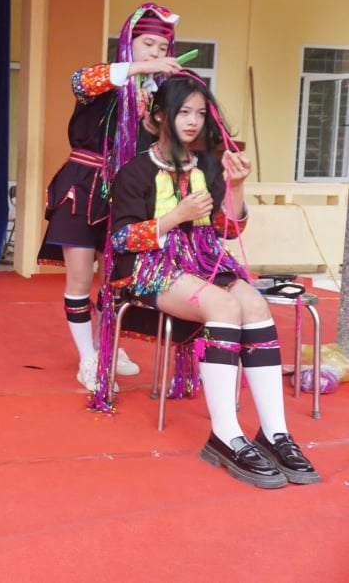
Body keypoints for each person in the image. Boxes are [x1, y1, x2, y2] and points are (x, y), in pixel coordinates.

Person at [109, 71, 320, 488]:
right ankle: (225, 433)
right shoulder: (134, 171)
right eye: (182, 111)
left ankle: (274, 431)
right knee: (224, 306)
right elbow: (120, 238)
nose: (192, 121)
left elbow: (227, 230)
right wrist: (175, 217)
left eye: (200, 113)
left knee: (256, 305)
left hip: (204, 260)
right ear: (157, 117)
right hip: (150, 267)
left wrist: (237, 187)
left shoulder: (209, 164)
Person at [37, 3, 183, 391]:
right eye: (147, 43)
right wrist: (137, 71)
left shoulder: (154, 96)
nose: (155, 52)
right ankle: (88, 358)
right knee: (80, 278)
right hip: (81, 188)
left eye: (161, 47)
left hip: (127, 193)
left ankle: (108, 344)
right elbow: (78, 81)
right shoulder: (108, 78)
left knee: (117, 278)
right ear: (128, 43)